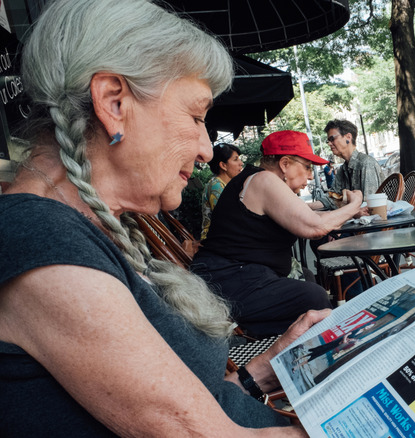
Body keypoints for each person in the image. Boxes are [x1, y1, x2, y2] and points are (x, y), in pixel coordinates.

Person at [0, 0, 328, 435]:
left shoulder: (89, 227)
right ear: (114, 102)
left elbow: (194, 402)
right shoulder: (38, 238)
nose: (207, 150)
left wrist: (266, 367)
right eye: (195, 116)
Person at [191, 130, 363, 337]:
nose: (310, 175)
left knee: (307, 277)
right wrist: (354, 205)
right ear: (285, 164)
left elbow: (302, 213)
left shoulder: (256, 179)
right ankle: (306, 354)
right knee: (313, 296)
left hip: (236, 275)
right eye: (307, 167)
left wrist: (341, 211)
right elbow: (315, 227)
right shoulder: (264, 180)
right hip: (227, 280)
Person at [311, 119, 383, 211]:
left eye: (332, 139)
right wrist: (305, 207)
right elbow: (332, 199)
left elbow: (369, 207)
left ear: (348, 137)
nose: (329, 143)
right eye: (328, 141)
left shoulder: (367, 163)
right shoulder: (343, 169)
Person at [201, 143, 243, 239]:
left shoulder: (226, 184)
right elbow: (229, 220)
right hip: (217, 241)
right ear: (223, 165)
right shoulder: (216, 185)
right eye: (236, 159)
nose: (241, 163)